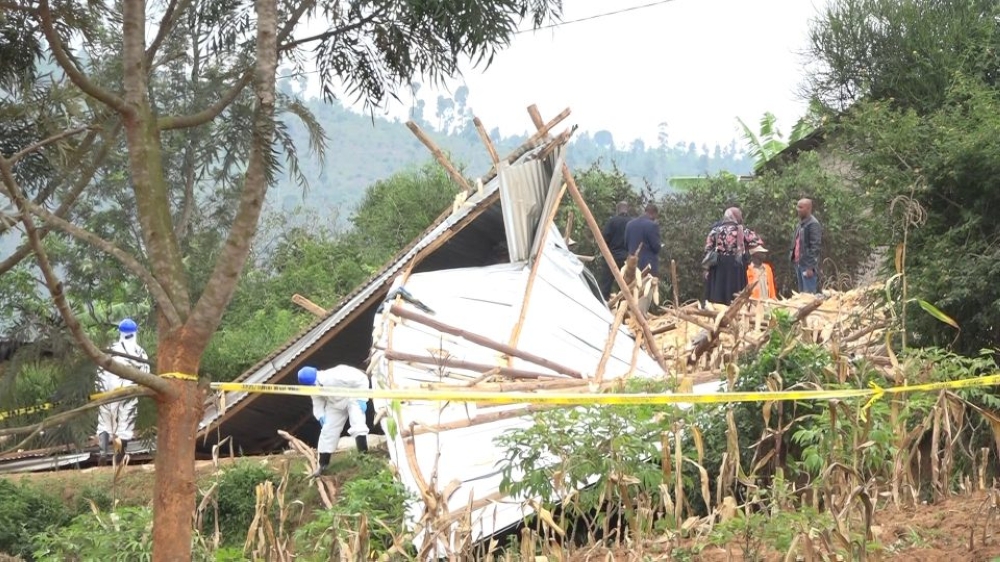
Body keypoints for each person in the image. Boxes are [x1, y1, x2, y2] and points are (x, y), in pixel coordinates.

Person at [297, 364, 370, 477]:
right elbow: (317, 402)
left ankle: (364, 457)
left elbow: (362, 379)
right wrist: (321, 415)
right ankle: (323, 465)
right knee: (327, 431)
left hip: (352, 397)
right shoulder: (313, 386)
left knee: (358, 424)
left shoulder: (336, 374)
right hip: (334, 404)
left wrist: (362, 398)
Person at [96, 318, 149, 463]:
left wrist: (99, 390)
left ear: (119, 332)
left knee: (104, 422)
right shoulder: (140, 353)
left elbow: (99, 373)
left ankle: (103, 453)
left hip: (106, 393)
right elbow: (145, 374)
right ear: (135, 333)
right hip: (129, 393)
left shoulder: (111, 350)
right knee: (124, 425)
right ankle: (118, 457)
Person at [704, 207, 762, 305]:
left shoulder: (715, 230)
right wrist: (745, 247)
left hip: (718, 266)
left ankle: (718, 312)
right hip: (736, 265)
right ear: (736, 216)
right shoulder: (742, 230)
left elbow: (708, 247)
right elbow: (758, 241)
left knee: (718, 293)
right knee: (736, 293)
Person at [600, 201, 632, 299]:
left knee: (605, 285)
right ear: (628, 210)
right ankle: (622, 309)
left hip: (612, 257)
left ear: (617, 210)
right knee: (625, 287)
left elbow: (604, 239)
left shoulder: (612, 221)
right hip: (627, 259)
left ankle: (602, 305)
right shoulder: (632, 223)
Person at [790, 198, 822, 293]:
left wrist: (810, 267)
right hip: (799, 263)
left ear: (808, 208)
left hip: (807, 265)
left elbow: (815, 247)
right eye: (797, 207)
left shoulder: (813, 224)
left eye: (800, 207)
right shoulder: (801, 224)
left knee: (808, 295)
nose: (797, 209)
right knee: (802, 295)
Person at [624, 203, 662, 278]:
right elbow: (656, 247)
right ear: (654, 214)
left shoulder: (630, 224)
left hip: (632, 266)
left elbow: (626, 245)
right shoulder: (652, 226)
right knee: (648, 288)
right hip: (648, 266)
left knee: (632, 288)